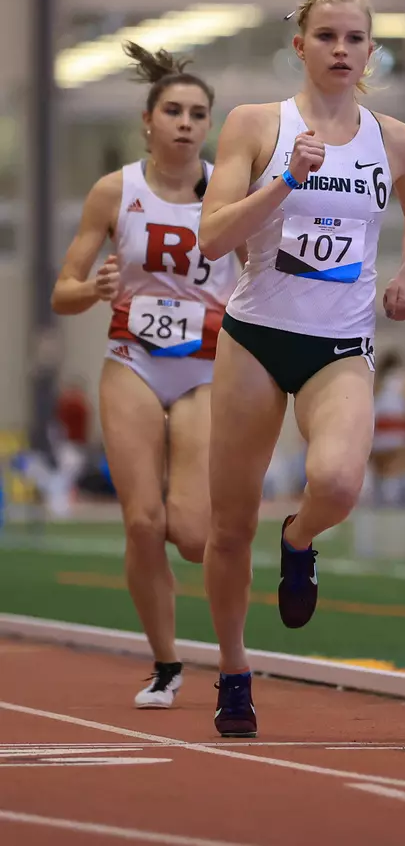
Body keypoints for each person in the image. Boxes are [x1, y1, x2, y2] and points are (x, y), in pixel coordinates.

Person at [199, 0, 405, 737]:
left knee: (336, 482)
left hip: (340, 343)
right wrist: (285, 181)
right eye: (326, 36)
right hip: (255, 336)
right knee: (229, 524)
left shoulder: (398, 142)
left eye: (354, 38)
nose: (341, 49)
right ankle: (234, 669)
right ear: (299, 46)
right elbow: (212, 236)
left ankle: (298, 539)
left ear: (371, 51)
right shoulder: (256, 124)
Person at [51, 43, 240, 708]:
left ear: (209, 125)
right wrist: (93, 287)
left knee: (190, 534)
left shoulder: (229, 192)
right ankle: (165, 662)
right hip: (132, 359)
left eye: (198, 114)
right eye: (174, 111)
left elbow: (263, 274)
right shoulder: (116, 191)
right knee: (140, 522)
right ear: (148, 120)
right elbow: (63, 291)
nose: (186, 123)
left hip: (203, 369)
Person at [371, 350, 405, 506]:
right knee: (397, 470)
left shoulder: (376, 381)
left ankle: (385, 499)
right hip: (396, 434)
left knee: (383, 473)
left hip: (379, 434)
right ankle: (393, 500)